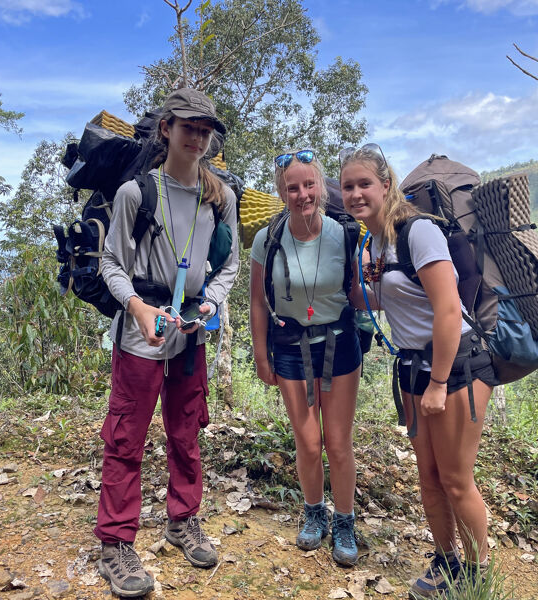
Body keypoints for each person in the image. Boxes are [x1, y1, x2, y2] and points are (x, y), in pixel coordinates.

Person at [94, 88, 239, 598]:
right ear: (166, 130)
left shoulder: (221, 197)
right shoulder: (138, 193)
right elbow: (111, 261)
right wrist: (136, 306)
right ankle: (115, 543)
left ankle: (183, 519)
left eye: (205, 130)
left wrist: (211, 304)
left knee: (185, 431)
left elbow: (229, 268)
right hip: (142, 330)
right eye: (189, 127)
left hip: (190, 333)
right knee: (127, 435)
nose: (198, 137)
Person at [339, 144, 497, 598]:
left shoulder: (418, 231)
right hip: (411, 366)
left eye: (364, 184)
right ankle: (446, 559)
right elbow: (362, 302)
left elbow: (449, 311)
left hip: (457, 366)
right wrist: (364, 277)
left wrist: (440, 382)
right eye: (348, 186)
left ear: (386, 185)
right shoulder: (375, 242)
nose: (355, 194)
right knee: (428, 476)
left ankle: (478, 573)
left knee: (455, 478)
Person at [249, 149, 364, 567]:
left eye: (309, 184)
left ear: (320, 186)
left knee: (338, 443)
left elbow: (358, 296)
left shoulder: (344, 233)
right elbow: (259, 303)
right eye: (292, 187)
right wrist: (262, 356)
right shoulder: (268, 239)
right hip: (291, 347)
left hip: (339, 345)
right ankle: (314, 513)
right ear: (282, 192)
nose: (302, 194)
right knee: (309, 443)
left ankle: (346, 520)